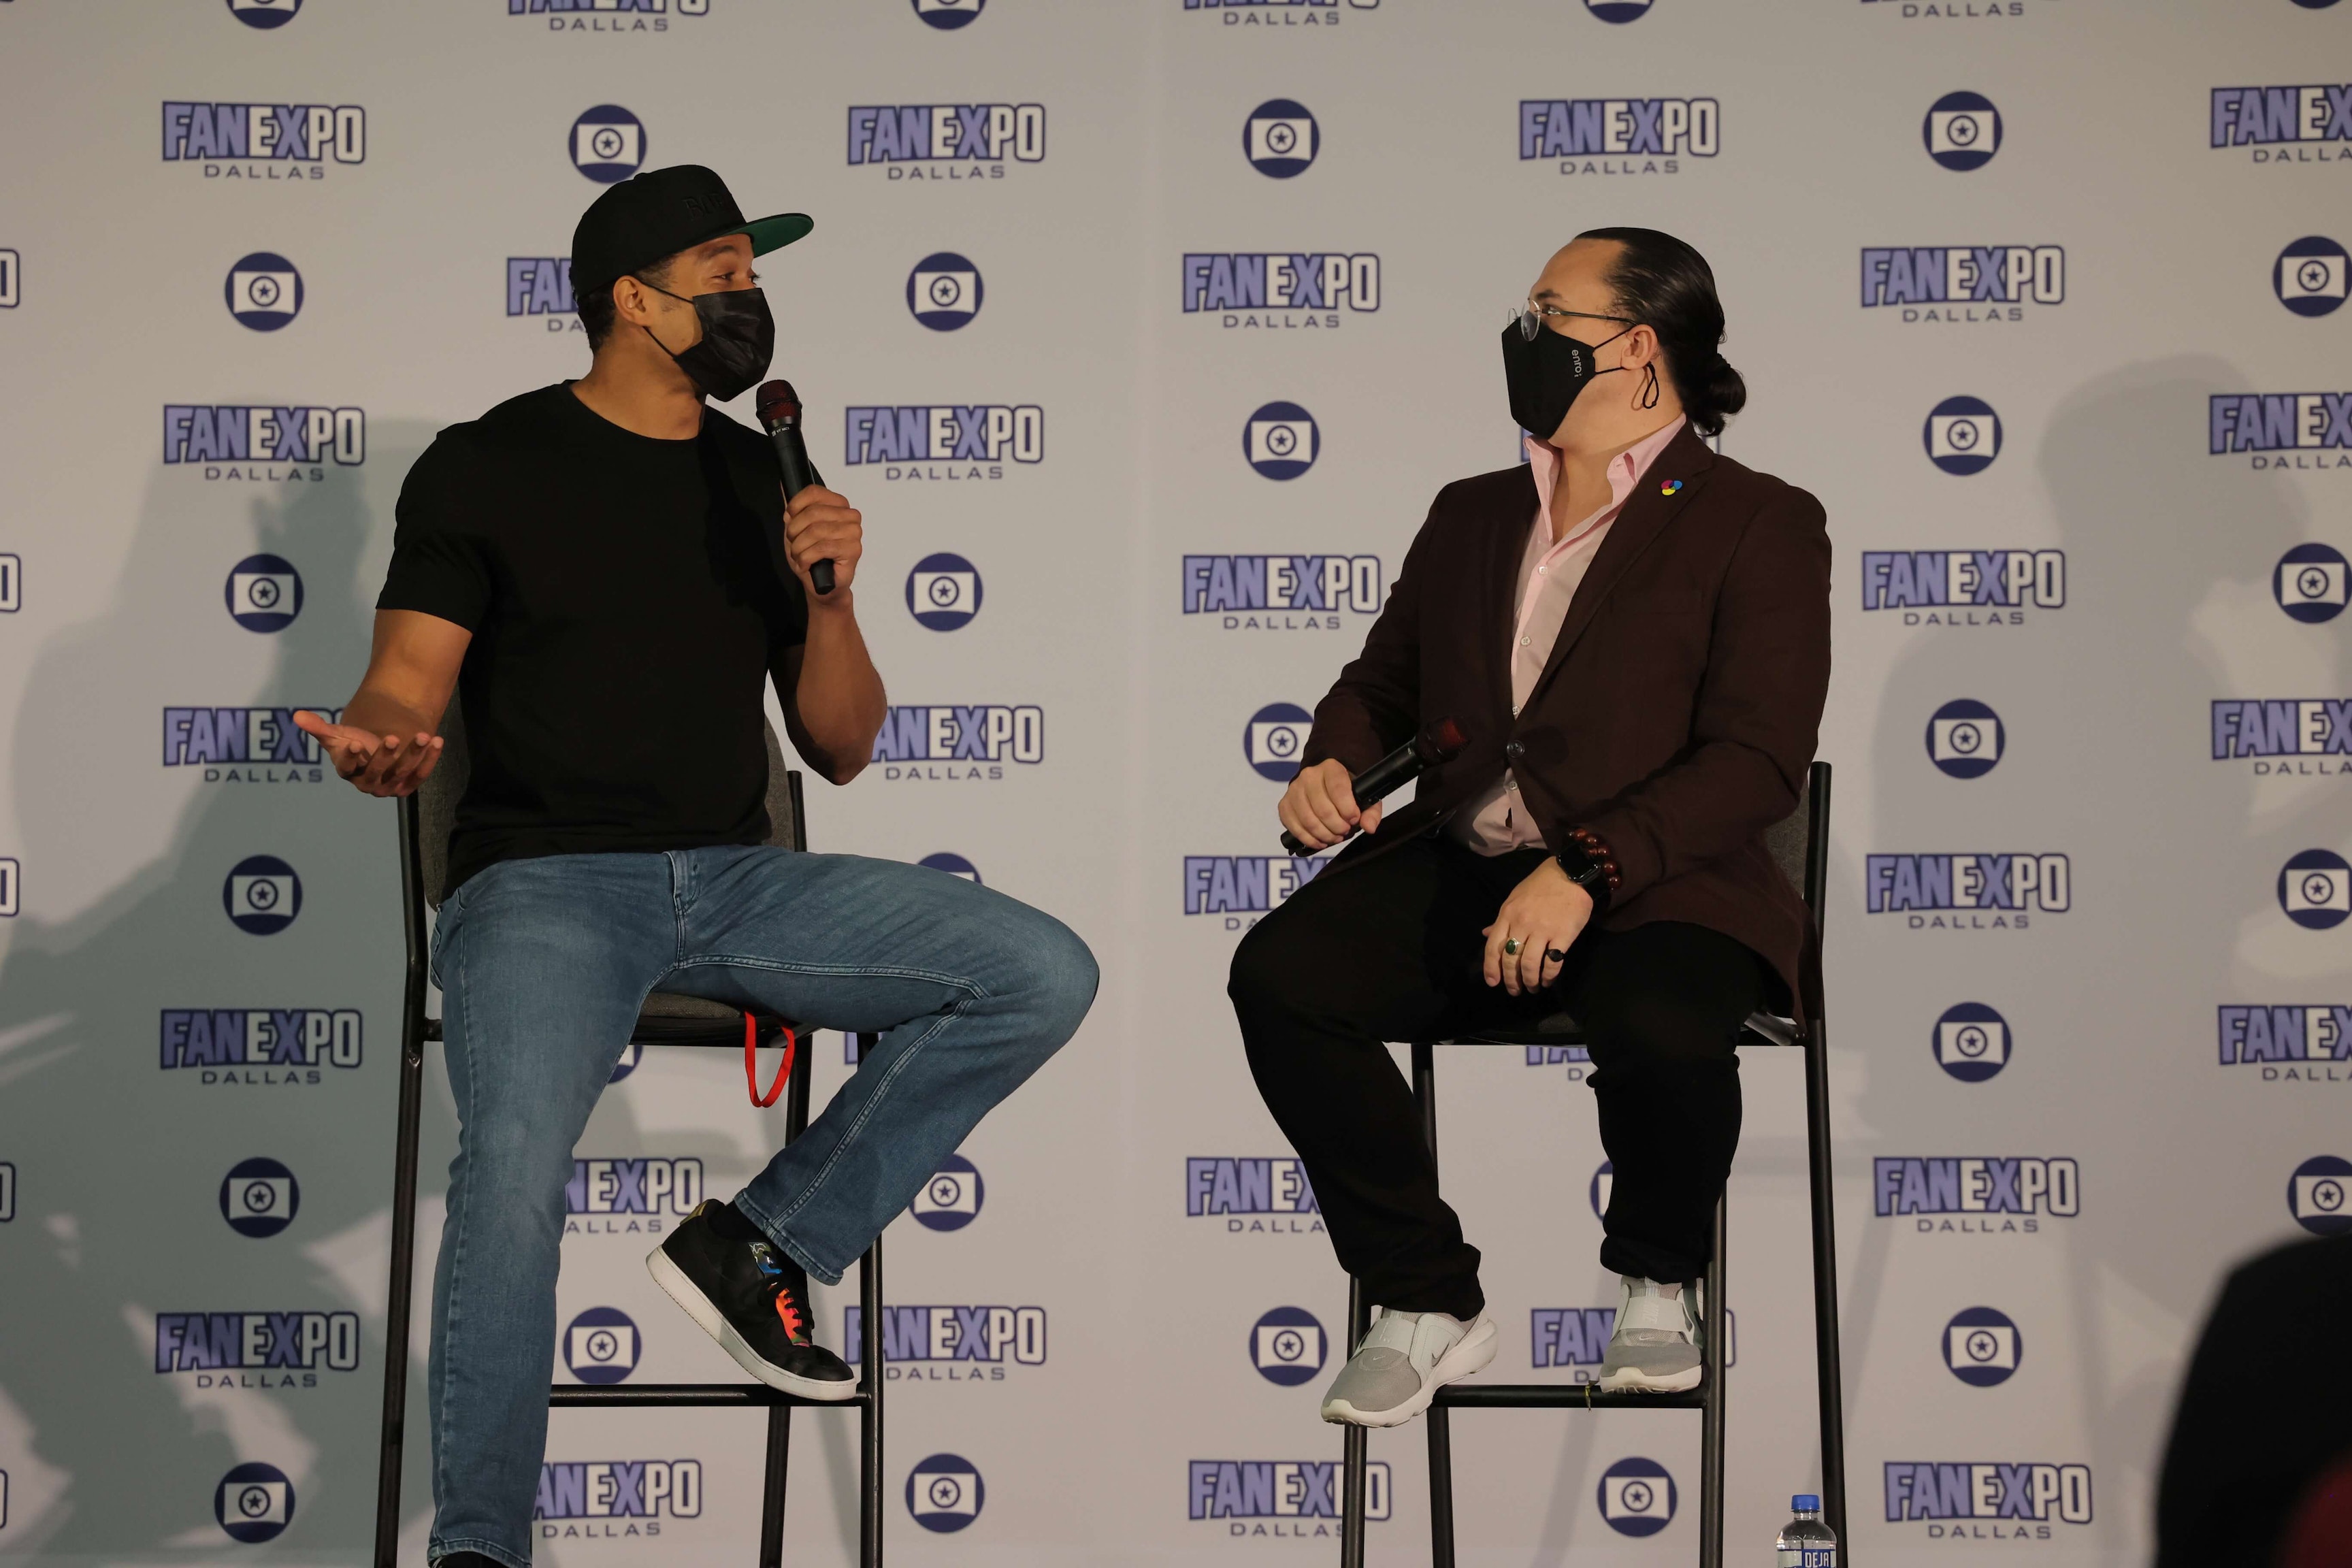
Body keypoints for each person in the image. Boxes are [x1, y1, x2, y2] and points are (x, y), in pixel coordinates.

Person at [295, 166, 1097, 1568]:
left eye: (755, 274)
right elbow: (405, 685)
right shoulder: (489, 464)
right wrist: (382, 747)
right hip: (543, 885)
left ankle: (763, 1242)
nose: (750, 299)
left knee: (1038, 970)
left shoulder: (758, 476)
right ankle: (480, 1546)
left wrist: (833, 598)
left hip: (740, 881)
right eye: (724, 272)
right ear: (632, 298)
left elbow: (840, 747)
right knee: (511, 1170)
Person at [1228, 228, 1829, 1426]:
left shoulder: (1757, 518)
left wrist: (1587, 869)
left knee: (1662, 1020)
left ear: (1637, 348)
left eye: (1552, 313)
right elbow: (1381, 685)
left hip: (1662, 879)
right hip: (1469, 862)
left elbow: (1756, 758)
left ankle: (1659, 1280)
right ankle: (1424, 1297)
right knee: (1285, 977)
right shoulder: (1472, 512)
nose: (1525, 333)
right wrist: (1335, 759)